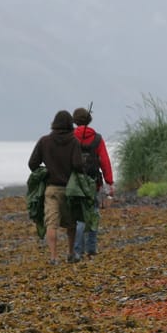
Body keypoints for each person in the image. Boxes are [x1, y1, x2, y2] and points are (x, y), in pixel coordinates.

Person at [28, 110, 84, 264]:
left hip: (51, 189)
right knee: (71, 223)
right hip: (70, 190)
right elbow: (78, 165)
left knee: (51, 224)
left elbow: (32, 164)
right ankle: (71, 253)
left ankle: (53, 257)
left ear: (54, 123)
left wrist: (45, 173)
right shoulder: (74, 142)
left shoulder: (44, 141)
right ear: (70, 124)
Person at [72, 106, 114, 260]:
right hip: (93, 182)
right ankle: (91, 248)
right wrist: (109, 182)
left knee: (78, 217)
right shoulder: (97, 138)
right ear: (89, 120)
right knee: (94, 214)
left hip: (75, 182)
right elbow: (104, 161)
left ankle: (77, 251)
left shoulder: (71, 137)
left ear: (75, 121)